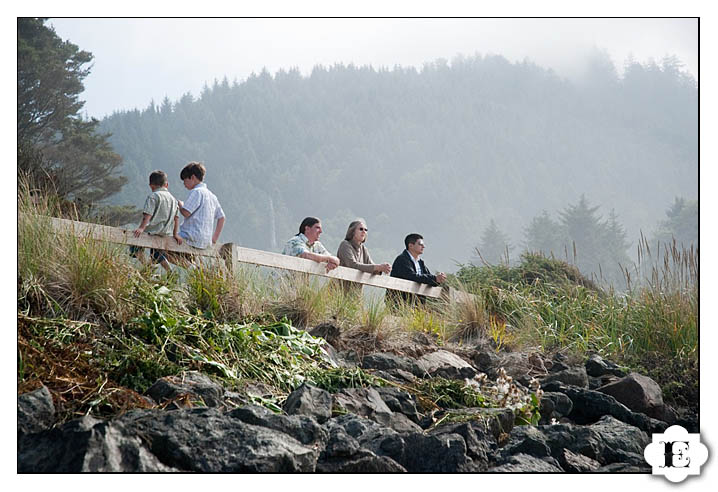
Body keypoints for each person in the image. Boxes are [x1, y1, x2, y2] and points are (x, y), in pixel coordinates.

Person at [130, 170, 182, 272]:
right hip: (165, 233)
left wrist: (141, 228)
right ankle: (170, 271)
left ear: (151, 186)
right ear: (166, 184)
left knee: (134, 245)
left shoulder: (153, 196)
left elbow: (148, 214)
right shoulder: (174, 200)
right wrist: (175, 234)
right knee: (158, 254)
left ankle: (146, 266)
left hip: (152, 231)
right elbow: (176, 218)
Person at [387, 233, 447, 305]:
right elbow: (412, 276)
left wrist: (438, 279)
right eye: (420, 244)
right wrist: (434, 278)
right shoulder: (402, 260)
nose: (423, 246)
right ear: (411, 245)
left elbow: (428, 278)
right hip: (400, 303)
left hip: (417, 304)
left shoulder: (420, 262)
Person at [177, 162, 225, 249]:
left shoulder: (197, 192)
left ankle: (189, 263)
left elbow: (186, 213)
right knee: (185, 258)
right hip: (205, 241)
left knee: (160, 250)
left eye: (185, 180)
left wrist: (180, 206)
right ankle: (190, 263)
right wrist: (214, 239)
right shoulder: (212, 196)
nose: (184, 184)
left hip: (190, 237)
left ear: (192, 177)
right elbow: (222, 217)